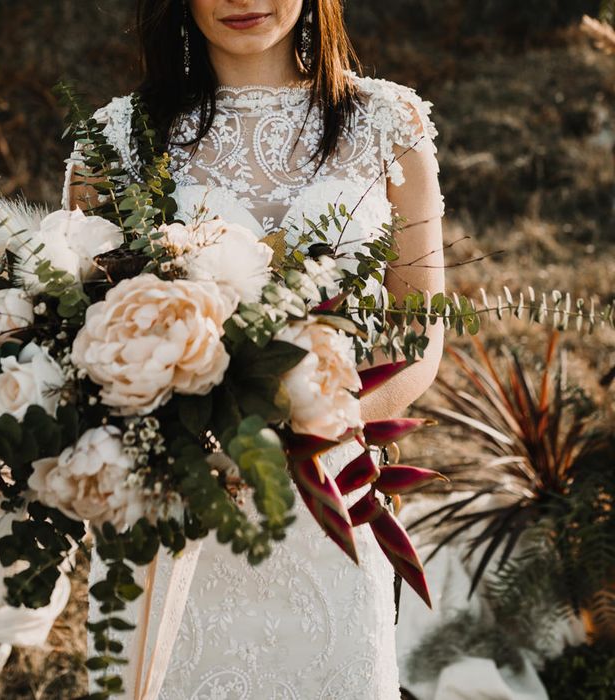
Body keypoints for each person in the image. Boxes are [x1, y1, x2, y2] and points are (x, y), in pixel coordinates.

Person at [64, 1, 445, 697]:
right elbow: (73, 329)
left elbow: (423, 329)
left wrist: (327, 422)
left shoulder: (389, 123)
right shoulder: (115, 138)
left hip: (327, 497)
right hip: (174, 504)